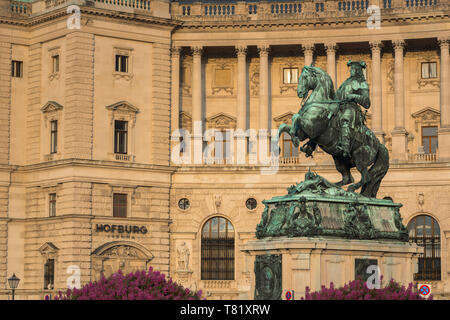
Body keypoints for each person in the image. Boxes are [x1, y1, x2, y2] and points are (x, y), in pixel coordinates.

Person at [335, 60, 371, 158]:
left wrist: (354, 96)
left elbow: (367, 103)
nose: (351, 71)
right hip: (339, 107)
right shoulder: (345, 83)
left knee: (345, 119)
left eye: (353, 69)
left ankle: (345, 147)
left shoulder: (362, 83)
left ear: (358, 70)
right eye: (351, 69)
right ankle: (311, 146)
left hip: (352, 109)